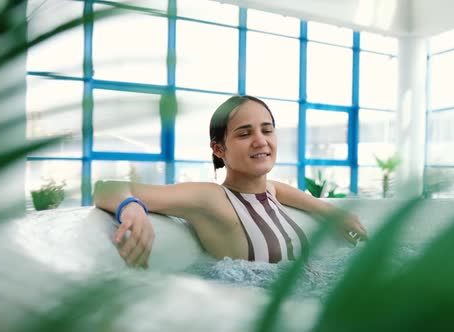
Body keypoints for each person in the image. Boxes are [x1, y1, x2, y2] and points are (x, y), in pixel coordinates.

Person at [94, 95, 368, 267]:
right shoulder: (214, 199)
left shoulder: (268, 190)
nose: (260, 140)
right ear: (219, 149)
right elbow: (106, 188)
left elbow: (281, 190)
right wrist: (131, 206)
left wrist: (331, 211)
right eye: (244, 133)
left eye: (267, 130)